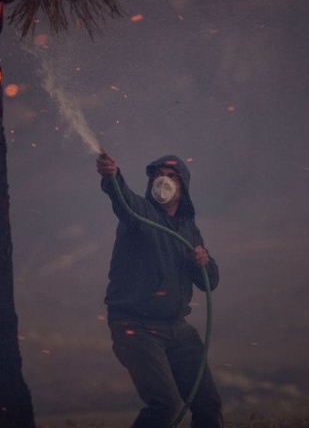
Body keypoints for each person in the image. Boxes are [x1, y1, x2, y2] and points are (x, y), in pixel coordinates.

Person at [96, 152, 223, 428]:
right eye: (156, 175)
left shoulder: (189, 229)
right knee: (165, 406)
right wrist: (112, 176)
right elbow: (122, 198)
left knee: (208, 404)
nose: (162, 180)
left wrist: (204, 262)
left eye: (171, 175)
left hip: (178, 329)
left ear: (183, 186)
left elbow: (209, 283)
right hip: (135, 326)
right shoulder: (138, 214)